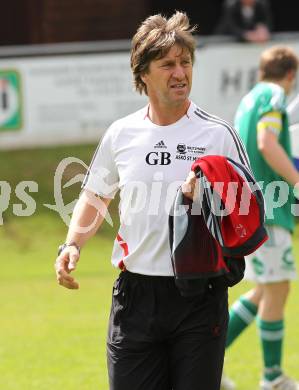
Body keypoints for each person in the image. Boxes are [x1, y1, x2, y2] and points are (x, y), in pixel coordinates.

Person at [55, 11, 253, 390]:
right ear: (143, 73)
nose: (180, 73)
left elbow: (249, 212)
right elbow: (96, 195)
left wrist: (211, 195)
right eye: (167, 65)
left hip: (200, 296)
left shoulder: (218, 134)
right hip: (136, 298)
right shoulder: (122, 134)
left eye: (185, 62)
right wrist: (72, 245)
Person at [221, 46, 299, 390]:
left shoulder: (249, 98)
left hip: (249, 206)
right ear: (291, 75)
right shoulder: (275, 96)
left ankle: (203, 361)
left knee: (263, 292)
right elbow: (267, 143)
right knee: (277, 289)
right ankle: (272, 378)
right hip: (268, 207)